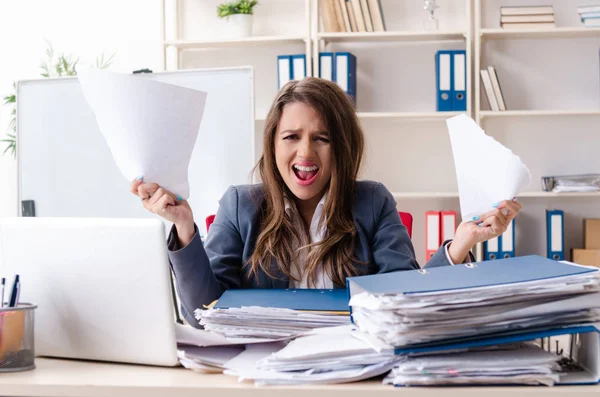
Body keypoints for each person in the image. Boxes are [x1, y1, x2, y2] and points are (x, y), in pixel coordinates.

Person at [130, 77, 522, 326]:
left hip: (354, 367)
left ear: (342, 148)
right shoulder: (240, 204)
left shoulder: (372, 201)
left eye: (322, 138)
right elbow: (204, 315)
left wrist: (461, 243)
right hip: (268, 369)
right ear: (272, 145)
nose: (306, 153)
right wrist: (183, 225)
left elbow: (406, 298)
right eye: (291, 137)